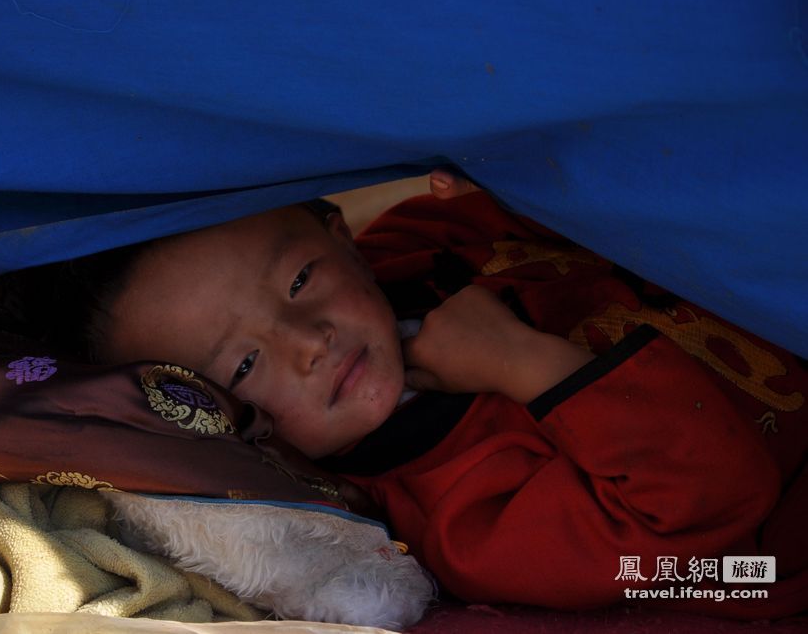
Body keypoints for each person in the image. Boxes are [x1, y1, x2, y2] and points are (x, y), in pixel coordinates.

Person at [84, 170, 807, 619]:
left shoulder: (419, 248)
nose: (308, 340)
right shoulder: (471, 521)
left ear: (342, 238)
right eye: (244, 364)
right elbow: (717, 501)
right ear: (234, 423)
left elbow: (555, 204)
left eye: (301, 280)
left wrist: (505, 180)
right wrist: (525, 362)